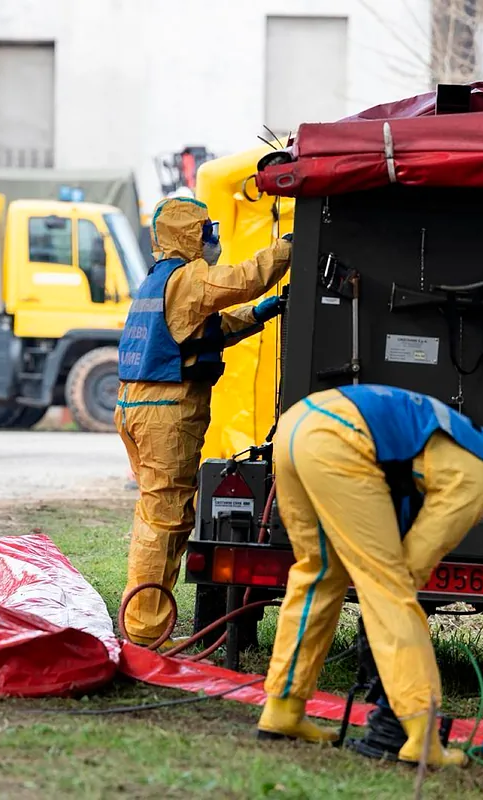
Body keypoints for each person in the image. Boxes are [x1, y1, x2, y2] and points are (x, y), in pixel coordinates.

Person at [258, 384, 483, 766]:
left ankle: (283, 709)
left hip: (298, 425)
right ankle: (421, 736)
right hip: (340, 440)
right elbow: (410, 568)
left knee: (319, 572)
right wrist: (382, 623)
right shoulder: (475, 476)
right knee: (391, 590)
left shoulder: (471, 442)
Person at [117, 196, 292, 645]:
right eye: (207, 233)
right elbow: (243, 279)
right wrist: (288, 247)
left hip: (138, 407)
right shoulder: (189, 276)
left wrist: (259, 314)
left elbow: (204, 332)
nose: (213, 241)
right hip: (166, 412)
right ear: (191, 235)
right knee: (164, 519)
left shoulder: (159, 281)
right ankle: (145, 631)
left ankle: (144, 620)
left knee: (159, 515)